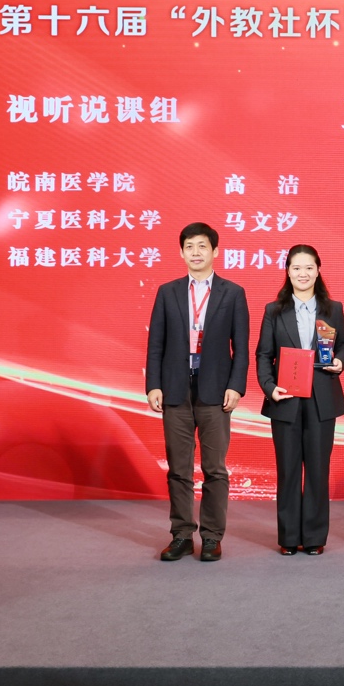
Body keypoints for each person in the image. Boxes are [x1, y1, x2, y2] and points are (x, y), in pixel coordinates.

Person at [146, 223, 249, 562]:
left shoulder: (233, 293)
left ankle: (212, 537)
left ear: (215, 251)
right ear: (181, 252)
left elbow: (241, 347)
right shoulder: (168, 292)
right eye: (189, 246)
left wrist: (236, 386)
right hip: (175, 388)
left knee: (215, 468)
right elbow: (156, 343)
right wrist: (154, 384)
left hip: (216, 389)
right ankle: (181, 535)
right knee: (179, 468)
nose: (195, 252)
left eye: (202, 246)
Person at [255, 245, 344, 556]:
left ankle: (313, 536)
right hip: (286, 398)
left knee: (318, 470)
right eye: (296, 268)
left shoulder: (333, 309)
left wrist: (340, 361)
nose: (303, 273)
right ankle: (288, 537)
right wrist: (269, 387)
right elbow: (263, 355)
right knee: (288, 469)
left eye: (309, 267)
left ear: (318, 270)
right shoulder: (274, 310)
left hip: (323, 398)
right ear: (288, 271)